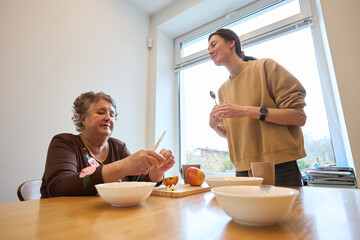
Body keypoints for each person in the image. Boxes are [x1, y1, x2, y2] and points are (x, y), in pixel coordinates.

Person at [208, 29, 306, 186]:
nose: (210, 51)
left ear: (231, 43)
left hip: (279, 167)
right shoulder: (222, 90)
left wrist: (246, 111)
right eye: (208, 49)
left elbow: (298, 117)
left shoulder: (265, 66)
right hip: (242, 170)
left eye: (213, 45)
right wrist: (214, 126)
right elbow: (231, 134)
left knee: (286, 212)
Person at [41, 91, 175, 198]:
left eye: (112, 115)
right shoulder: (64, 142)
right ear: (82, 118)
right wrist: (124, 166)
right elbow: (59, 186)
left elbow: (138, 182)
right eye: (100, 112)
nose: (108, 118)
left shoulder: (118, 147)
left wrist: (157, 172)